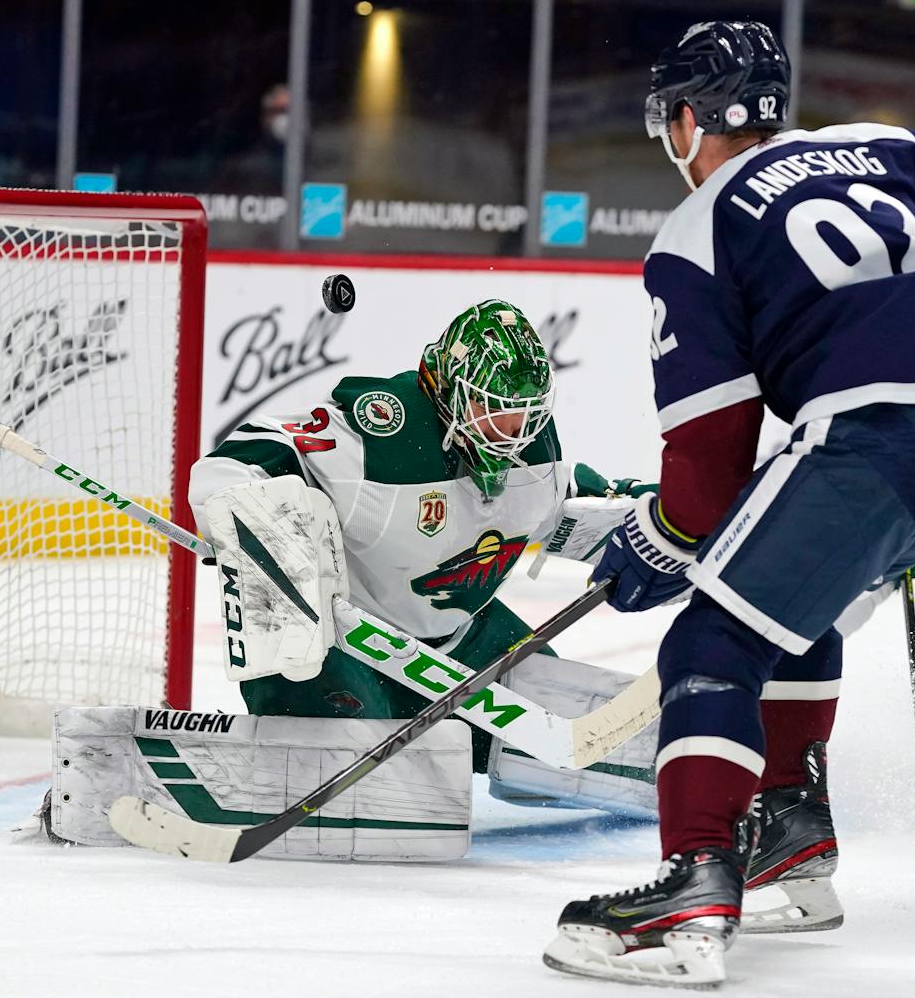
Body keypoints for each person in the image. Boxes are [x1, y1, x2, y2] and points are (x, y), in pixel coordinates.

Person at [540, 21, 915, 988]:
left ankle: (693, 884)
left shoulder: (694, 232)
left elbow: (709, 451)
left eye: (671, 123)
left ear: (689, 119)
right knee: (784, 606)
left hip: (877, 436)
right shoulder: (885, 142)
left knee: (710, 645)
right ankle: (792, 846)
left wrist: (666, 537)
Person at [188, 299, 658, 803]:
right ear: (449, 392)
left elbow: (585, 504)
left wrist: (665, 527)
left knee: (583, 754)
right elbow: (237, 462)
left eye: (524, 413)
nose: (512, 431)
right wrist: (255, 522)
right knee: (359, 778)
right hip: (349, 650)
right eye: (491, 409)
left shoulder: (536, 457)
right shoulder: (382, 437)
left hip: (464, 644)